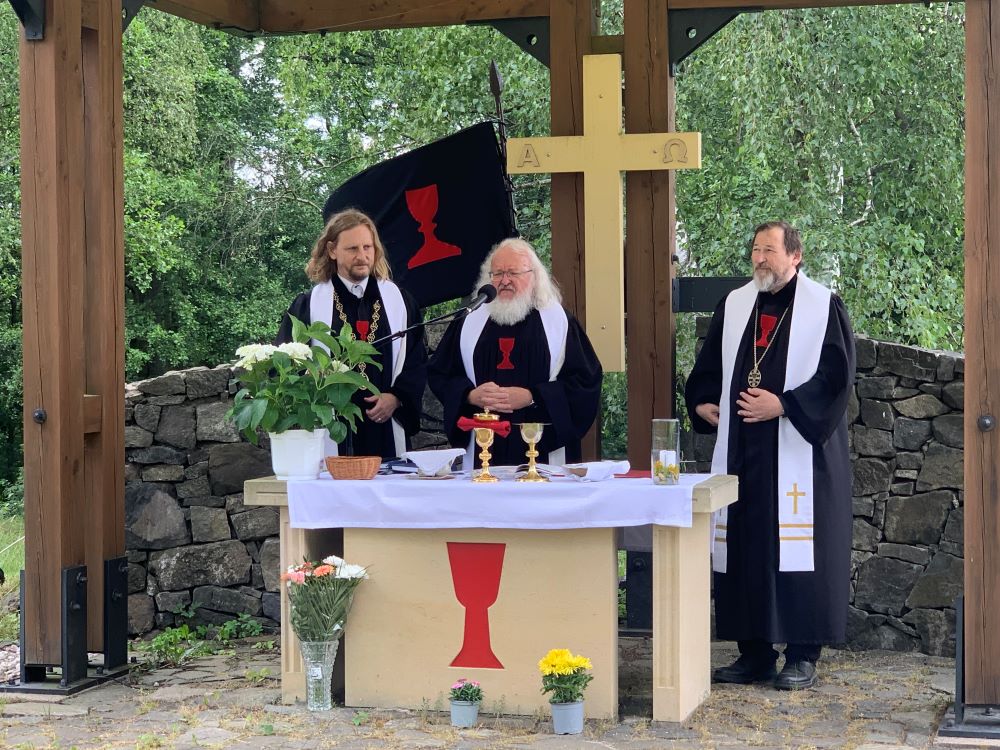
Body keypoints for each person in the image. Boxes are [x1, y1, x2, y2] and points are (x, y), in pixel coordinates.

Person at [685, 221, 855, 690]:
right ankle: (754, 653)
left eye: (770, 250)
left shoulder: (824, 306)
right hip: (744, 450)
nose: (760, 259)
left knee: (800, 552)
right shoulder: (736, 304)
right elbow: (709, 367)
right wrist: (703, 402)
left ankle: (802, 654)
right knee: (745, 546)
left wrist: (783, 405)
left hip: (800, 451)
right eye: (756, 250)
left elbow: (836, 377)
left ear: (795, 256)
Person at [428, 237, 602, 468]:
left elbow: (585, 381)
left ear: (534, 276)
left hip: (541, 444)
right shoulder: (470, 320)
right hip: (483, 441)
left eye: (513, 273)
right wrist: (469, 395)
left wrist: (533, 397)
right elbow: (441, 374)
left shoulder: (557, 321)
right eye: (498, 273)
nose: (504, 281)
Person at [276, 208, 427, 459]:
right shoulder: (309, 305)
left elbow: (416, 359)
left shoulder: (399, 301)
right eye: (353, 249)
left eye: (368, 247)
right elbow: (288, 361)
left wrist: (397, 397)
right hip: (333, 426)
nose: (362, 256)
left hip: (385, 426)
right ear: (332, 250)